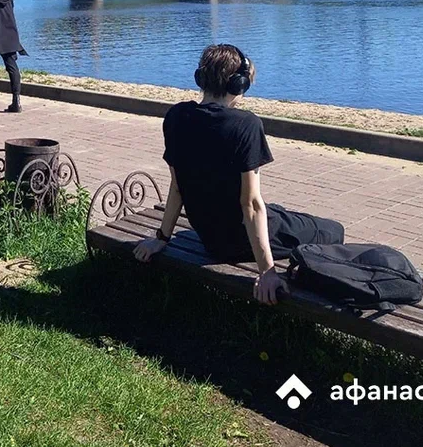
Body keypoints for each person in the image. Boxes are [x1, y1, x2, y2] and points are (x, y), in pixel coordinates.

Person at [133, 43, 344, 304]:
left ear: (201, 78)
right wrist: (267, 271)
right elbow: (251, 204)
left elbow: (177, 187)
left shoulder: (176, 117)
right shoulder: (245, 124)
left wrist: (161, 238)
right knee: (332, 230)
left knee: (279, 212)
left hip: (210, 237)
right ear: (238, 85)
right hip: (236, 242)